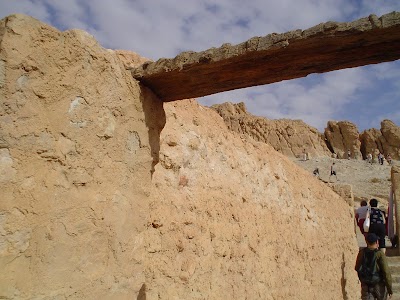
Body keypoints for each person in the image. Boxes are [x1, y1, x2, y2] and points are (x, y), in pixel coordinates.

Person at [355, 233, 393, 299]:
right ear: (376, 242)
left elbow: (357, 268)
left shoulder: (362, 253)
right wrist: (390, 289)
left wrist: (362, 279)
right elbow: (386, 272)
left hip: (366, 285)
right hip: (379, 285)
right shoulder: (379, 254)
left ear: (366, 242)